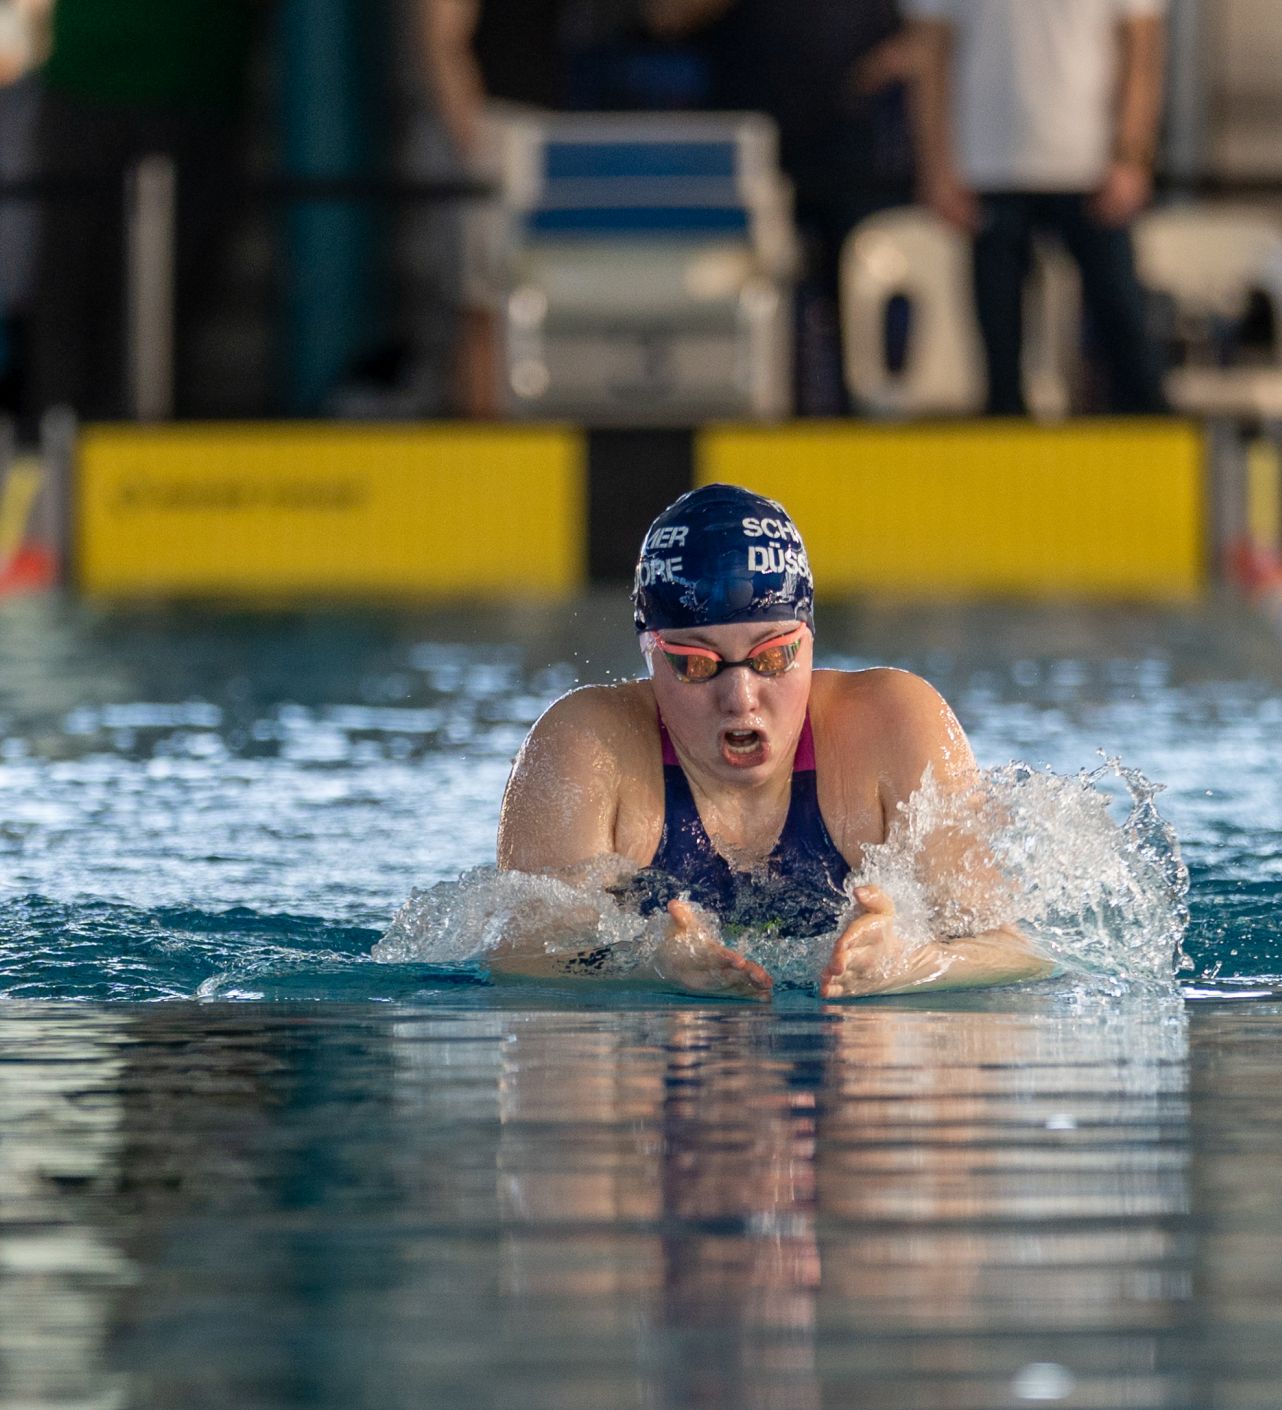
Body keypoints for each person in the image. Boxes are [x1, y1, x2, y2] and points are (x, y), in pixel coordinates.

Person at [493, 484, 1049, 999]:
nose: (740, 697)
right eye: (696, 664)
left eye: (773, 657)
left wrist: (910, 964)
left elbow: (1014, 953)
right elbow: (519, 962)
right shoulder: (584, 749)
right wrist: (646, 967)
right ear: (651, 655)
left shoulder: (895, 726)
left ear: (809, 642)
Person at [643, 0, 919, 414]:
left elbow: (936, 28)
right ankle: (768, 409)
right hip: (753, 156)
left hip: (859, 151)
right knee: (763, 298)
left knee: (868, 294)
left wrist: (899, 58)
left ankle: (866, 414)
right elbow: (664, 18)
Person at [901, 0, 1169, 416]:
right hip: (988, 165)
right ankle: (1005, 447)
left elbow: (1143, 46)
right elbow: (930, 49)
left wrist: (1132, 156)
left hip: (1090, 162)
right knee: (999, 349)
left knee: (1124, 331)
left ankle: (1150, 445)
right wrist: (936, 167)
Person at [27, 0, 260, 422]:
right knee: (70, 295)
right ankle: (58, 437)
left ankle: (134, 443)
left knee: (161, 315)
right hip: (87, 82)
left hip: (195, 90)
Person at [413, 0, 569, 419]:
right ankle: (484, 434)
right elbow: (442, 41)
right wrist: (475, 142)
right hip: (497, 130)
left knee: (535, 299)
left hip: (546, 130)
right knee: (485, 303)